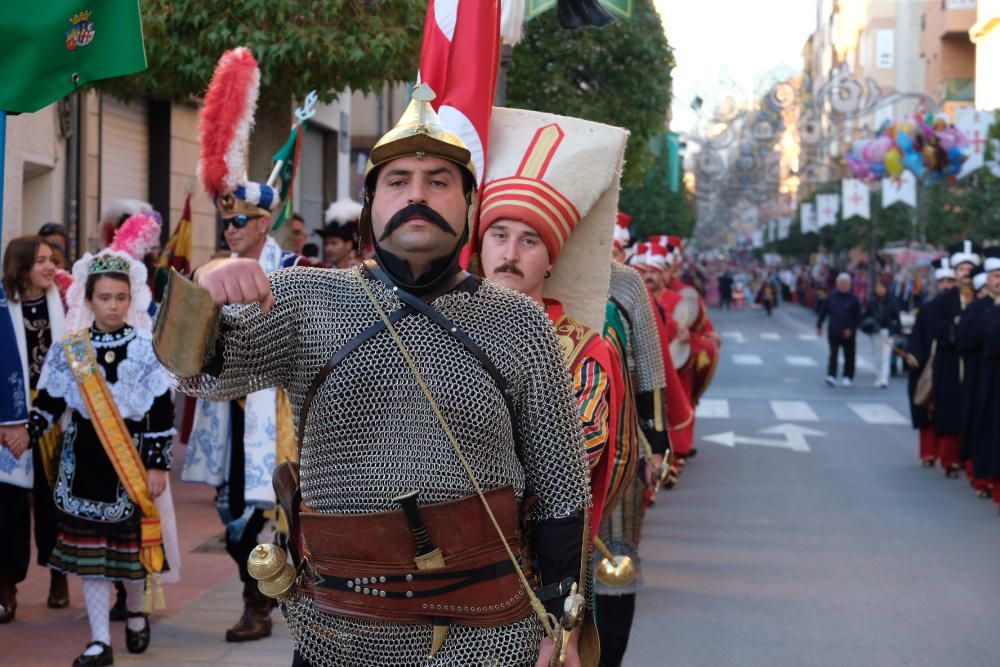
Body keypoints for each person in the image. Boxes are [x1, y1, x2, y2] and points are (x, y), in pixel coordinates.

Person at [155, 55, 590, 667]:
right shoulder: (307, 299)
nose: (417, 194)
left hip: (486, 628)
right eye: (398, 181)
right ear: (370, 205)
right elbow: (199, 369)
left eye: (439, 180)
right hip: (342, 626)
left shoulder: (519, 324)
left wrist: (563, 620)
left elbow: (560, 486)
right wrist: (202, 291)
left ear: (469, 204)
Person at [180, 49, 309, 644]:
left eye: (241, 221)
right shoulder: (210, 273)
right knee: (234, 519)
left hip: (283, 413)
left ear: (264, 222)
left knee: (284, 512)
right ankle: (256, 589)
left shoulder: (297, 272)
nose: (230, 229)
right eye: (226, 221)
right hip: (227, 414)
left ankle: (262, 603)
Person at [477, 107, 627, 535]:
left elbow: (579, 453)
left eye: (529, 241)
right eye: (499, 235)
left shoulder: (583, 350)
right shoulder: (436, 327)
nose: (510, 255)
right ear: (481, 245)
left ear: (549, 262)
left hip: (530, 549)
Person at [28, 249, 175, 666]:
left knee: (130, 554)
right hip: (84, 461)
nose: (112, 305)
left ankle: (133, 613)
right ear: (88, 300)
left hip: (130, 459)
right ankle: (98, 641)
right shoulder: (70, 349)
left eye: (120, 297)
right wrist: (25, 433)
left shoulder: (148, 346)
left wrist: (158, 463)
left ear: (132, 299)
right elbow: (52, 402)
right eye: (105, 297)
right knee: (92, 557)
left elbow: (161, 411)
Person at [0, 236, 67, 621]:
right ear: (21, 266)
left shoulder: (66, 303)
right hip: (8, 419)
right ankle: (6, 585)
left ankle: (59, 576)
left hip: (55, 416)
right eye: (41, 260)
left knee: (53, 503)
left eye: (51, 259)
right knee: (8, 509)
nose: (49, 266)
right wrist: (8, 423)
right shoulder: (1, 303)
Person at [927, 240, 981, 478]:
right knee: (949, 411)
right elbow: (935, 329)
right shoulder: (944, 301)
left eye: (969, 269)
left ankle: (970, 460)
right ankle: (950, 459)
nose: (965, 274)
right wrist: (954, 328)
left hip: (975, 364)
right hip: (949, 363)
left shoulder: (982, 300)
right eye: (960, 269)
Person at [906, 258, 954, 467]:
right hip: (927, 365)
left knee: (950, 412)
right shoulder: (928, 309)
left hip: (950, 365)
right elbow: (917, 335)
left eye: (949, 281)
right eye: (942, 281)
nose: (945, 285)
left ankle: (949, 456)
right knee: (926, 408)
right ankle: (928, 453)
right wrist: (913, 354)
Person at [817, 273, 861, 387]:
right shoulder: (831, 297)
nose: (843, 285)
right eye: (841, 283)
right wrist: (819, 325)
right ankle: (831, 375)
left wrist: (851, 329)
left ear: (850, 285)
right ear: (837, 284)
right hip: (834, 331)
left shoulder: (854, 299)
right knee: (833, 353)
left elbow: (858, 318)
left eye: (845, 283)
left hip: (849, 333)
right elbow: (823, 312)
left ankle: (848, 376)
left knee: (849, 355)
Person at [864, 280, 901, 389]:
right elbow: (866, 316)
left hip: (887, 332)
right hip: (875, 332)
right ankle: (878, 376)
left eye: (882, 287)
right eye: (878, 287)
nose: (880, 290)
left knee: (885, 356)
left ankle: (884, 378)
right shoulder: (872, 302)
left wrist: (896, 331)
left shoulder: (891, 302)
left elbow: (896, 318)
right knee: (877, 355)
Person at [316, 198, 363, 268]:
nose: (328, 248)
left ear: (348, 245)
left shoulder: (362, 273)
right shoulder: (322, 273)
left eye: (334, 243)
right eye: (326, 244)